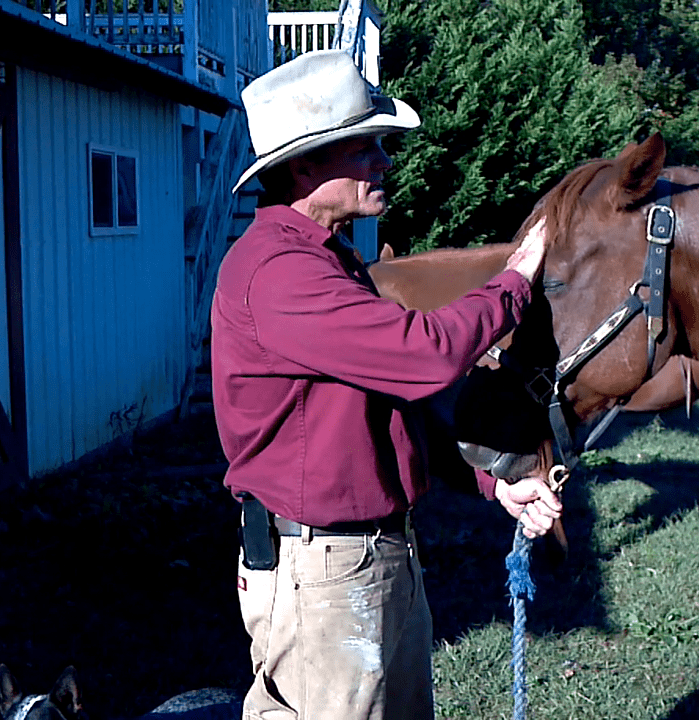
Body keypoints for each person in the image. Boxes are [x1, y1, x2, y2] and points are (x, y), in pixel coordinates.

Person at [212, 49, 562, 720]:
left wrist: (494, 486)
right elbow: (424, 356)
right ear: (306, 166)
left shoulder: (326, 259)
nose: (384, 159)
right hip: (325, 573)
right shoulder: (280, 274)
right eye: (364, 144)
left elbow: (385, 409)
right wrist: (514, 281)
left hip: (365, 556)